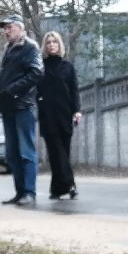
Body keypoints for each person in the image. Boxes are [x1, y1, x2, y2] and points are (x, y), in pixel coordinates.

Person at [0, 14, 43, 207]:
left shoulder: (30, 47)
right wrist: (1, 97)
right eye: (4, 28)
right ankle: (20, 191)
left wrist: (13, 90)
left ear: (20, 28)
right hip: (8, 107)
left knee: (26, 151)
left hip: (24, 106)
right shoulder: (8, 49)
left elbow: (37, 73)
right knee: (12, 153)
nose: (6, 31)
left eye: (9, 27)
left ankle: (29, 192)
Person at [38, 31, 82, 200]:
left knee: (63, 153)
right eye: (48, 42)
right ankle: (71, 185)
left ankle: (56, 189)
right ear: (45, 46)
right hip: (48, 116)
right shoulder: (41, 66)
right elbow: (35, 89)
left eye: (54, 42)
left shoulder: (67, 67)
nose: (51, 45)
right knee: (56, 152)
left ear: (59, 45)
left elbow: (74, 90)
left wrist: (76, 110)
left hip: (65, 115)